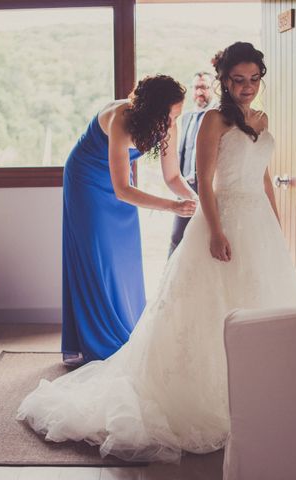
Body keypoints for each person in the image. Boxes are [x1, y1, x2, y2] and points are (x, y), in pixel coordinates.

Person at [17, 42, 296, 464]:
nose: (247, 88)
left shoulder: (251, 120)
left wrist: (198, 207)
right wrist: (201, 216)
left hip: (253, 218)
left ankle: (254, 380)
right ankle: (98, 342)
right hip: (90, 182)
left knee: (132, 266)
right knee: (102, 266)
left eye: (254, 79)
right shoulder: (138, 118)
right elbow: (153, 184)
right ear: (226, 80)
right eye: (238, 79)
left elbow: (183, 177)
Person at [61, 75, 198, 366]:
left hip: (121, 183)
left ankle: (128, 329)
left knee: (124, 259)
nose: (175, 120)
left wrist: (194, 200)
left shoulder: (168, 124)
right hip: (87, 180)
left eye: (178, 114)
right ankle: (96, 341)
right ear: (152, 110)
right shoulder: (121, 118)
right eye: (172, 114)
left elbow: (173, 177)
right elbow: (123, 190)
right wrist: (173, 207)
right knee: (99, 259)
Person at [168, 71, 215, 256]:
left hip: (208, 185)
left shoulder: (216, 117)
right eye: (196, 87)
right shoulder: (185, 117)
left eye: (204, 87)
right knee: (177, 237)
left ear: (213, 89)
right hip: (185, 186)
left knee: (202, 237)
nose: (199, 92)